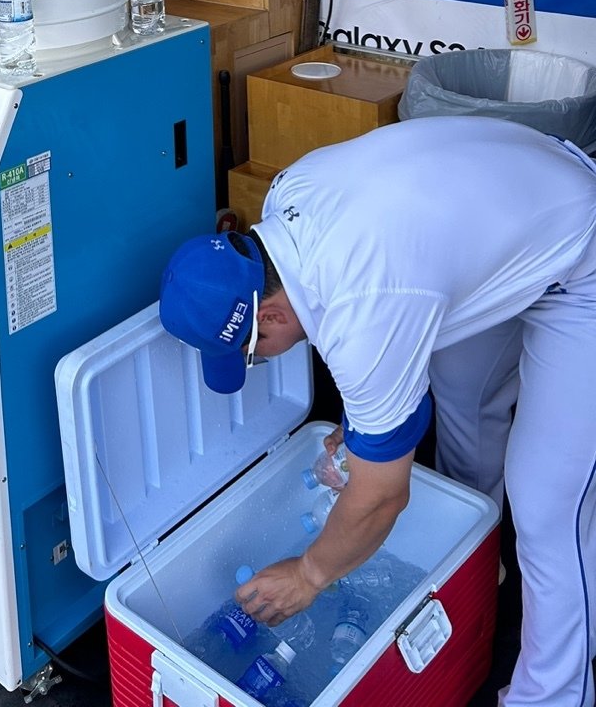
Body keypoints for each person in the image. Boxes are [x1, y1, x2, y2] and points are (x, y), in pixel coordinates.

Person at [158, 115, 596, 707]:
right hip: (517, 201)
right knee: (465, 401)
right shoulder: (289, 196)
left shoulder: (362, 309)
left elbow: (383, 495)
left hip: (581, 249)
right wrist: (368, 422)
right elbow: (398, 307)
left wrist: (310, 574)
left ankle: (555, 694)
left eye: (252, 356)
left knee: (550, 508)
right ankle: (477, 565)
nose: (259, 361)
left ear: (269, 319)